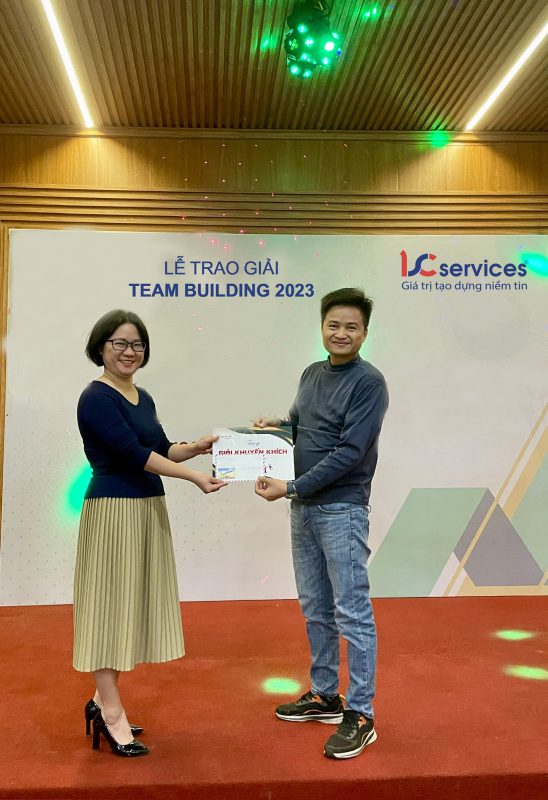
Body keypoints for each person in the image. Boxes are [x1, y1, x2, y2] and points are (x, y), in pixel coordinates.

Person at [74, 309, 226, 757]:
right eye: (119, 343)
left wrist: (194, 448)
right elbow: (132, 454)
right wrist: (194, 476)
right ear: (101, 347)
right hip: (114, 511)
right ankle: (111, 713)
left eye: (137, 344)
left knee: (129, 608)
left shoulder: (143, 396)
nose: (129, 351)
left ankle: (100, 700)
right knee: (108, 609)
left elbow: (159, 449)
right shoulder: (95, 397)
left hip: (146, 509)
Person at [255, 287, 388, 760]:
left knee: (352, 612)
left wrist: (292, 487)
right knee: (316, 608)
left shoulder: (369, 383)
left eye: (352, 327)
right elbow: (300, 427)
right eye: (334, 325)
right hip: (304, 508)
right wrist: (272, 430)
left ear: (365, 333)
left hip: (341, 509)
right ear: (322, 328)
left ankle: (362, 713)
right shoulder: (312, 373)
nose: (341, 333)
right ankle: (326, 695)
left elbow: (350, 452)